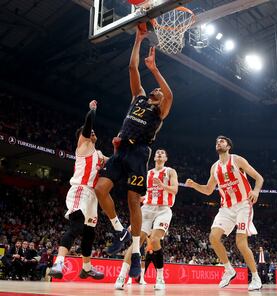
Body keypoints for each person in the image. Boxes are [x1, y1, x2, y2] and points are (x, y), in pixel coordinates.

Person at [94, 24, 173, 278]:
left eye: (159, 91)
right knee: (99, 189)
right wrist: (138, 39)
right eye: (156, 88)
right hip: (120, 151)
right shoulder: (138, 97)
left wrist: (155, 69)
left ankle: (137, 251)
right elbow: (131, 68)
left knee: (131, 201)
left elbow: (170, 94)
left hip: (140, 153)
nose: (158, 90)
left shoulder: (160, 111)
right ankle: (120, 231)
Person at [185, 136, 264, 291]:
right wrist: (194, 185)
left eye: (222, 141)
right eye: (216, 142)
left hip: (243, 204)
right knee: (213, 237)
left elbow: (259, 178)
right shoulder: (214, 168)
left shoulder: (237, 160)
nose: (218, 143)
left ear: (228, 146)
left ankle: (256, 278)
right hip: (226, 208)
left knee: (240, 242)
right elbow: (208, 190)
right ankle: (228, 270)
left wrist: (255, 191)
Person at [49, 100, 106, 280]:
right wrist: (92, 111)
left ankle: (87, 267)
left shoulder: (98, 154)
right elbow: (88, 125)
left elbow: (114, 162)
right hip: (80, 190)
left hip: (92, 195)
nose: (93, 133)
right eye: (89, 132)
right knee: (76, 227)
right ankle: (58, 263)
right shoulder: (83, 145)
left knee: (89, 232)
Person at [114, 149, 178, 290]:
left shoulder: (170, 171)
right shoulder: (147, 173)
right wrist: (141, 198)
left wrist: (162, 186)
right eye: (157, 153)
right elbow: (142, 193)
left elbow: (175, 190)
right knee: (137, 242)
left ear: (166, 158)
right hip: (147, 208)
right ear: (154, 157)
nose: (159, 154)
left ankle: (160, 278)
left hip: (163, 209)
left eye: (162, 153)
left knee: (155, 239)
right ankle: (121, 276)